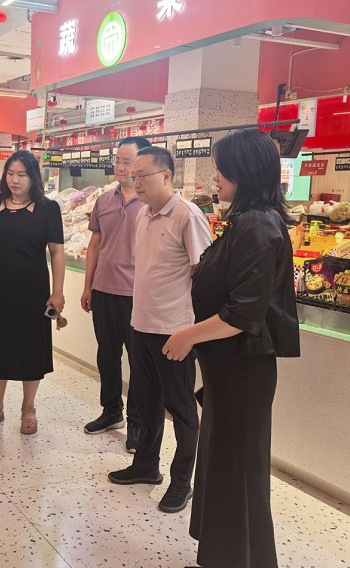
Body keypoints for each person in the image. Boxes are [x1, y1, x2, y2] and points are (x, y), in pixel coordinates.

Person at [162, 129, 300, 568]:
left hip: (244, 370)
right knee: (226, 464)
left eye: (222, 169)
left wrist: (188, 336)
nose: (215, 177)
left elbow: (243, 313)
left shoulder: (259, 226)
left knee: (238, 469)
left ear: (245, 171)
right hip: (229, 369)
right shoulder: (247, 220)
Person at [108, 146, 213, 515]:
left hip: (174, 332)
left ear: (167, 176)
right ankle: (146, 466)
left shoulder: (188, 215)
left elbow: (206, 277)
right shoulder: (144, 214)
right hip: (142, 324)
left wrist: (192, 331)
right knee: (146, 400)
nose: (135, 182)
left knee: (182, 410)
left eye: (143, 176)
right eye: (132, 176)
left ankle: (182, 481)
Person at [0, 151, 65, 434]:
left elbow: (56, 251)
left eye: (21, 174)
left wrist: (58, 292)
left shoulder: (48, 208)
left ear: (33, 177)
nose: (15, 180)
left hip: (33, 289)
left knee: (31, 347)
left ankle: (28, 408)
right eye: (10, 173)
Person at [81, 136, 151, 453]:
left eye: (128, 162)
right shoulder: (104, 200)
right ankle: (111, 411)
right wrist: (88, 286)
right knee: (107, 356)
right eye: (118, 161)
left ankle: (137, 421)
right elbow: (95, 243)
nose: (121, 167)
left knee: (138, 361)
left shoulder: (151, 202)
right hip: (103, 290)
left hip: (137, 295)